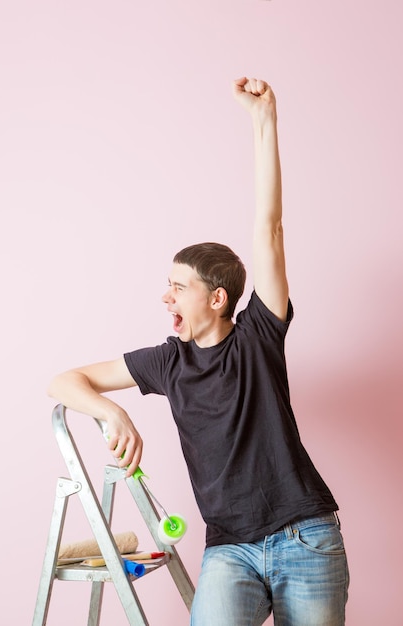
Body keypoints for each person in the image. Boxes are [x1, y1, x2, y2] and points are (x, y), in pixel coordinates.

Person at [48, 77, 349, 626]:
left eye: (178, 286)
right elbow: (64, 381)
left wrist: (265, 121)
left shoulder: (259, 335)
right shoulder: (168, 361)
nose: (166, 295)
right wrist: (114, 410)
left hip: (304, 536)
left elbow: (270, 229)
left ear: (217, 297)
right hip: (228, 549)